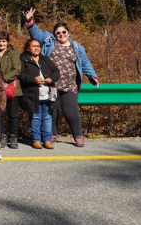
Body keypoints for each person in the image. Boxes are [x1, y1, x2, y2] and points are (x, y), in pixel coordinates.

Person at [25, 8, 99, 148]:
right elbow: (36, 33)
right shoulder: (48, 40)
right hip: (51, 83)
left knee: (71, 110)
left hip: (70, 84)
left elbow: (84, 62)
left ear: (68, 33)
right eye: (58, 33)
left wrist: (92, 76)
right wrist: (30, 22)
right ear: (54, 34)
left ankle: (78, 136)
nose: (61, 35)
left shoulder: (77, 47)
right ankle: (50, 135)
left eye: (63, 32)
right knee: (51, 110)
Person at [19, 38, 60, 149]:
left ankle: (47, 140)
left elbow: (56, 71)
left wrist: (51, 79)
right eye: (33, 46)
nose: (36, 48)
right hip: (32, 95)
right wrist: (33, 79)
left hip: (47, 95)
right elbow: (21, 75)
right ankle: (36, 139)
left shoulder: (45, 59)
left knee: (47, 118)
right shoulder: (23, 60)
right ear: (28, 48)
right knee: (35, 118)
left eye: (38, 46)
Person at [0, 31, 22, 148]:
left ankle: (13, 136)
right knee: (0, 113)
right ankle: (2, 135)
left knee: (12, 114)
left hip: (12, 88)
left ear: (7, 42)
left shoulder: (12, 53)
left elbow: (17, 69)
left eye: (3, 41)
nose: (1, 43)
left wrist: (4, 79)